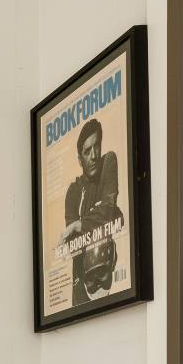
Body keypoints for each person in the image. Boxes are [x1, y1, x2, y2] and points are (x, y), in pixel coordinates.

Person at [62, 118, 123, 304]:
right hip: (81, 281)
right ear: (80, 159)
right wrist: (110, 215)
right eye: (87, 151)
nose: (94, 155)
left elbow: (107, 210)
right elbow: (75, 243)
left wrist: (81, 224)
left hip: (104, 276)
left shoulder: (108, 162)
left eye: (97, 146)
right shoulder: (73, 191)